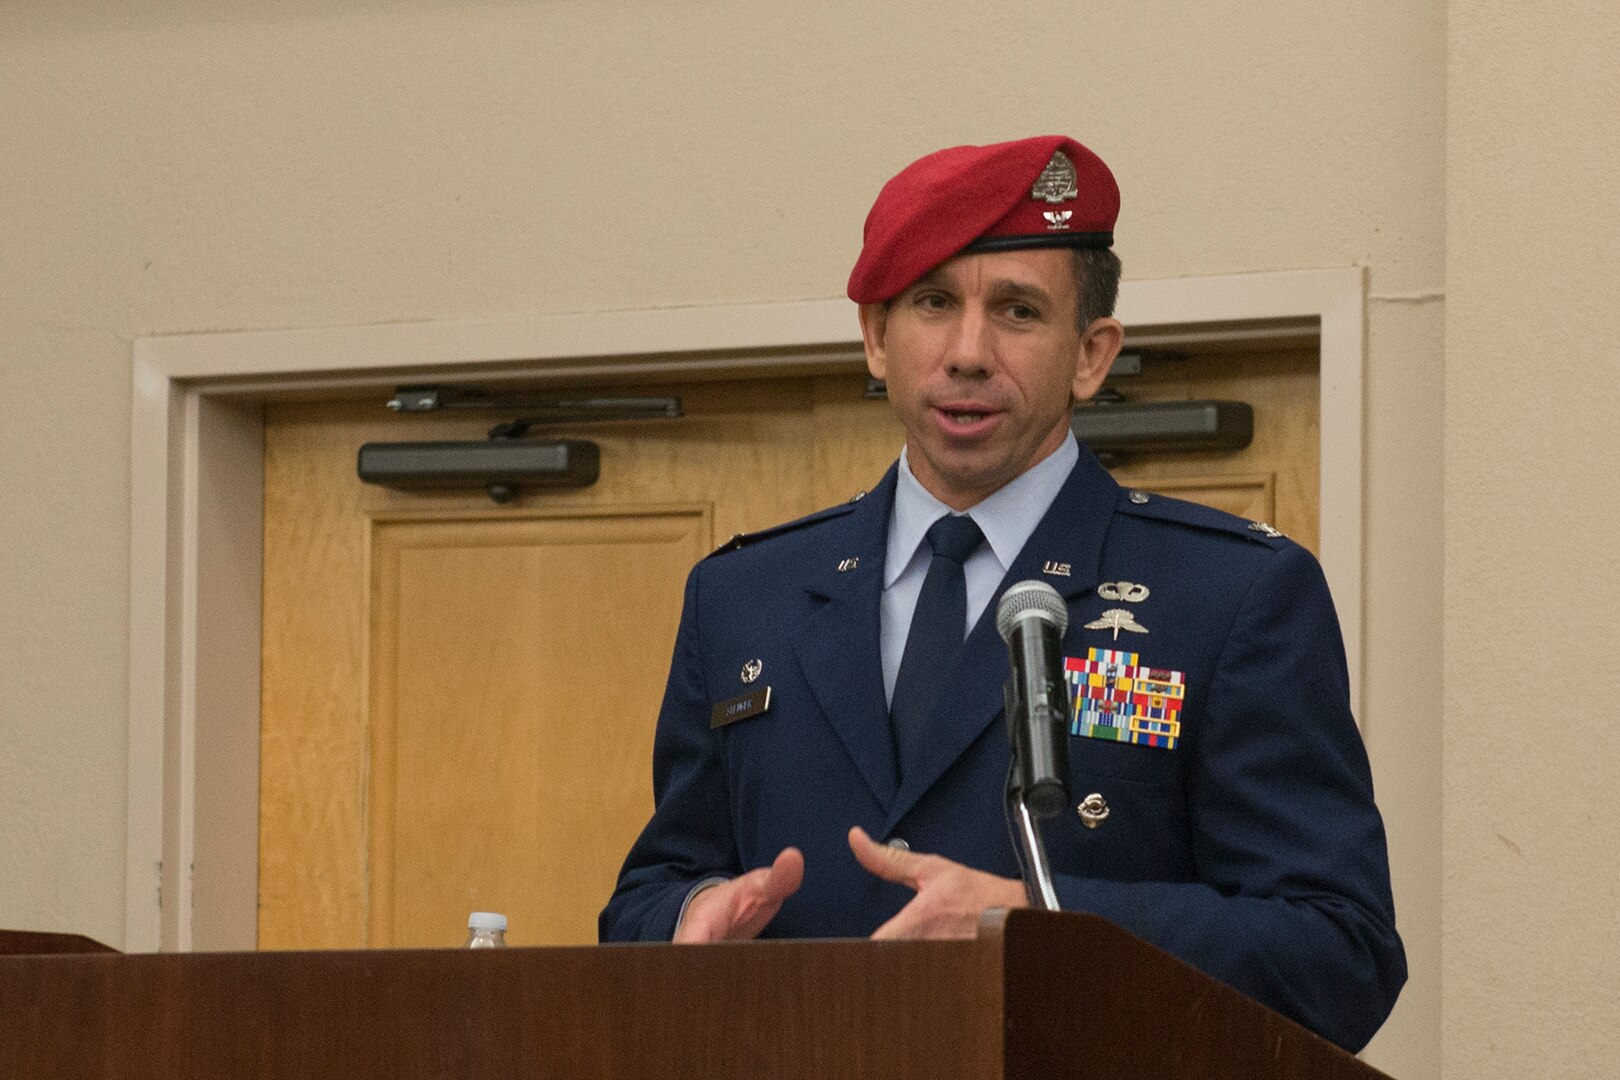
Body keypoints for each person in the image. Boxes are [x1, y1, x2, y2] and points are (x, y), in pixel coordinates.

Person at [599, 135, 1405, 1052]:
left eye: (1018, 311)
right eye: (933, 303)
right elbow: (650, 891)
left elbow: (1341, 954)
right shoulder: (744, 595)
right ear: (874, 336)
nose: (968, 352)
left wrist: (1036, 925)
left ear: (1092, 355)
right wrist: (692, 913)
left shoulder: (1231, 595)